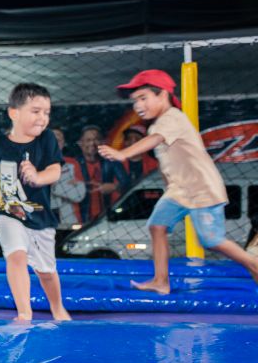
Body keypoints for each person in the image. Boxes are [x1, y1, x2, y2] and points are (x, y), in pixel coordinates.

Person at [99, 69, 258, 292]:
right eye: (134, 101)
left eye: (143, 98)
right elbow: (167, 163)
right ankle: (161, 281)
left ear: (163, 95)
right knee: (157, 226)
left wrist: (122, 153)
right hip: (179, 191)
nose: (137, 106)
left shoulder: (173, 117)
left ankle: (254, 263)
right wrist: (168, 187)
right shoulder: (156, 124)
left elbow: (155, 140)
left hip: (201, 187)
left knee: (211, 240)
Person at [0, 83, 72, 322]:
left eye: (47, 113)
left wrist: (38, 177)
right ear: (14, 113)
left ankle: (58, 308)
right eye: (36, 111)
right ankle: (24, 312)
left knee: (46, 271)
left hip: (40, 216)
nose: (42, 118)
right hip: (6, 212)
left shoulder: (46, 139)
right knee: (16, 255)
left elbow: (55, 170)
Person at [75, 125, 129, 223]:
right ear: (80, 143)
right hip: (80, 218)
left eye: (96, 139)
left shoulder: (112, 161)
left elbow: (127, 183)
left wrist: (115, 187)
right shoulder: (73, 164)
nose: (92, 143)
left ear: (102, 143)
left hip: (108, 215)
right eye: (88, 140)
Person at [50, 128, 85, 229]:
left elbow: (79, 194)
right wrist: (65, 184)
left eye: (58, 140)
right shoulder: (33, 164)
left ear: (63, 143)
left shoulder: (72, 163)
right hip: (43, 220)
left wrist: (53, 186)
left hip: (70, 220)